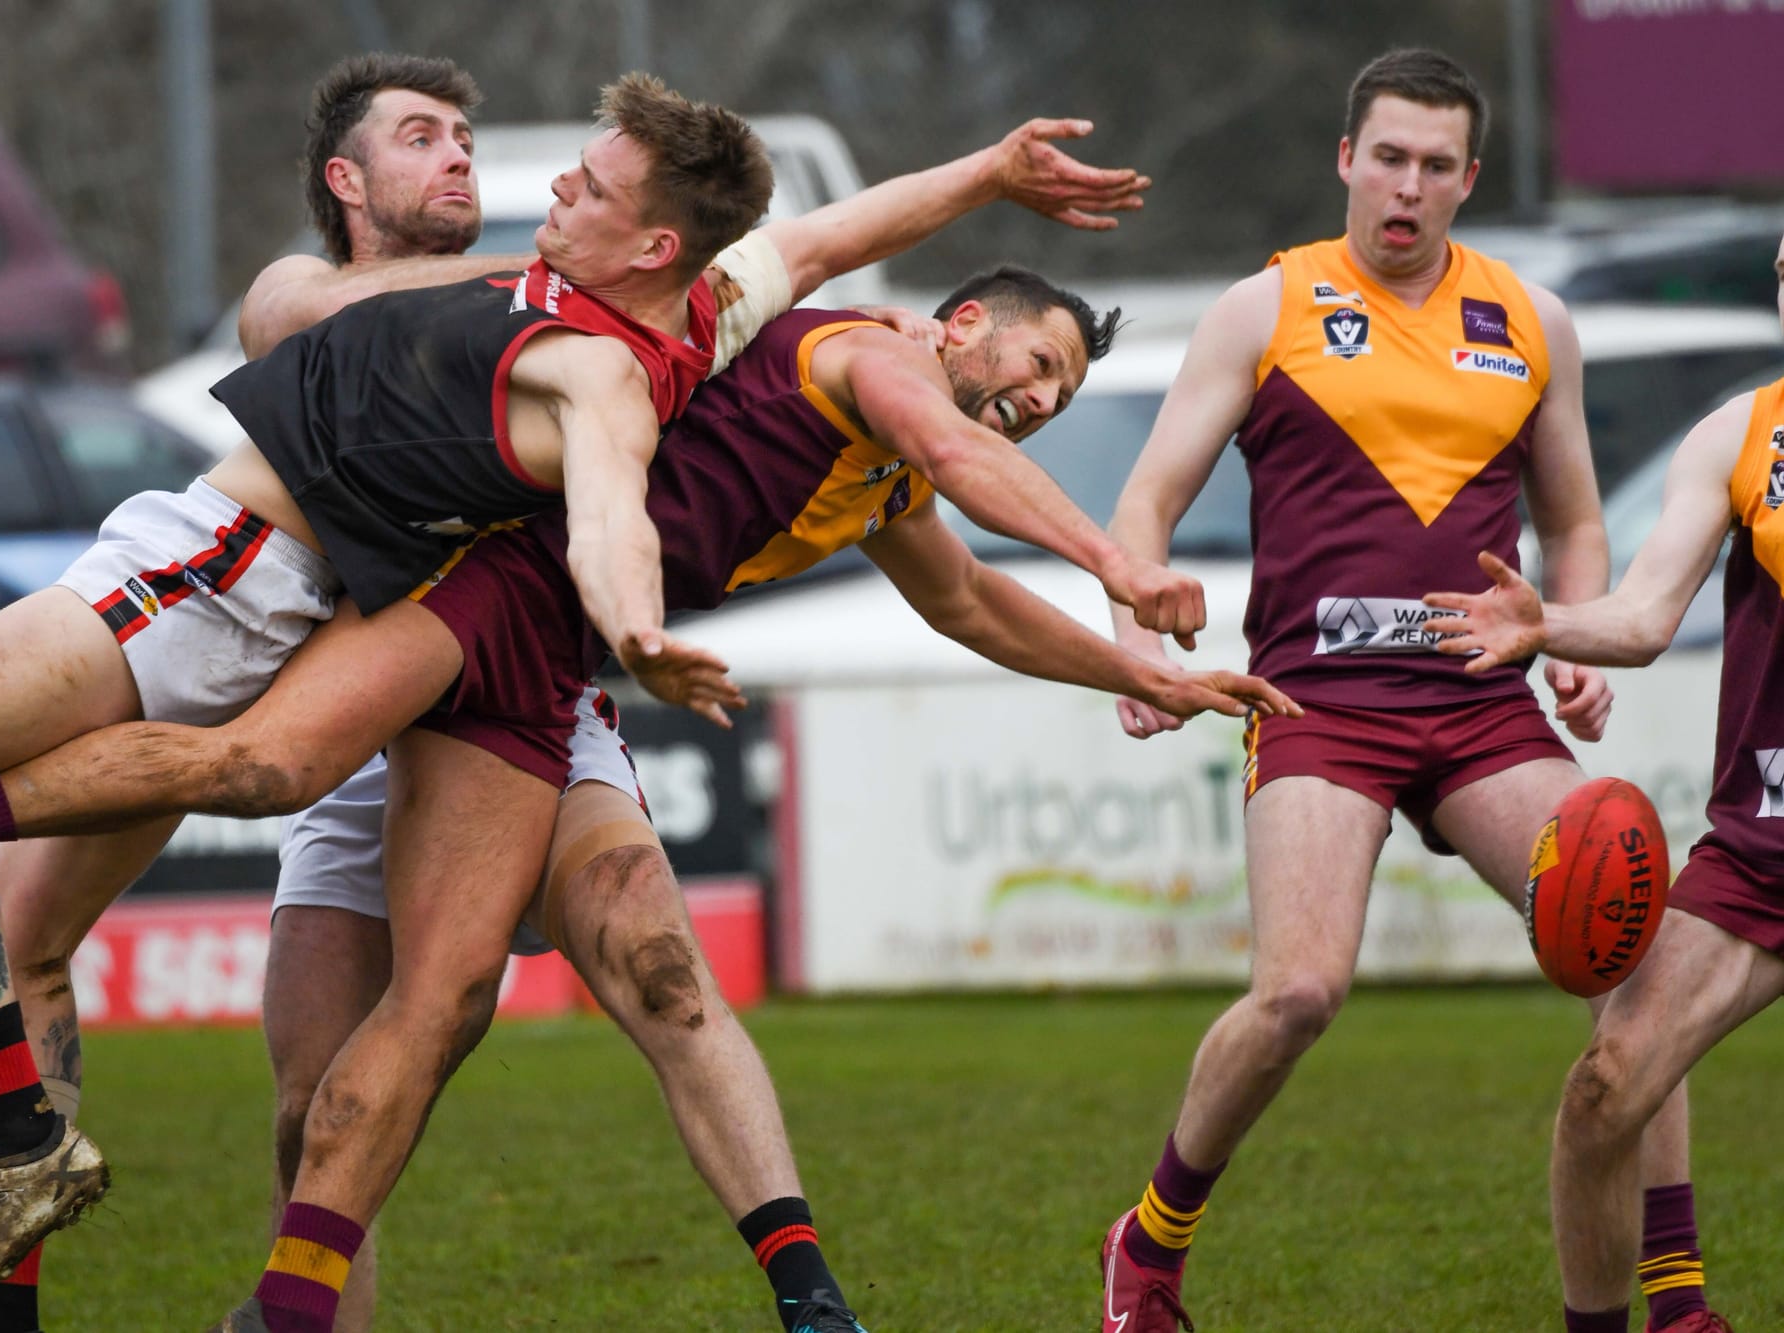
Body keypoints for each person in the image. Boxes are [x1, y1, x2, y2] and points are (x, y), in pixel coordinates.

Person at [0, 59, 1173, 1329]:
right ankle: (13, 1247)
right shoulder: (347, 293)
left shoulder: (621, 327)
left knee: (532, 982)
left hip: (502, 649)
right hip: (309, 602)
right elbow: (319, 324)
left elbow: (753, 343)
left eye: (475, 138)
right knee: (168, 946)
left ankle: (756, 1292)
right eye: (423, 137)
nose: (481, 161)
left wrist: (635, 627)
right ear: (346, 183)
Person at [189, 266, 1296, 1332]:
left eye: (1063, 394)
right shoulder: (856, 353)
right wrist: (1120, 569)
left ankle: (812, 1302)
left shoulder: (887, 473)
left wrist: (1146, 673)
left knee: (654, 973)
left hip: (536, 689)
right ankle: (9, 812)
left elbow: (966, 598)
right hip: (433, 631)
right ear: (958, 324)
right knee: (315, 1067)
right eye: (1042, 361)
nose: (1047, 399)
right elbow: (939, 428)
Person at [1094, 48, 1716, 1333]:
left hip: (1481, 704)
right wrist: (1135, 647)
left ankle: (1671, 1296)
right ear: (1344, 159)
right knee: (1300, 992)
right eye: (1387, 156)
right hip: (1316, 702)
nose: (1407, 186)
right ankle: (1149, 1241)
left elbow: (1575, 522)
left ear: (1466, 180)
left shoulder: (1531, 319)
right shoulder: (1260, 309)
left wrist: (1567, 643)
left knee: (1639, 957)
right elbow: (1142, 507)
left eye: (1436, 166)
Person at [1414, 236, 1784, 1333]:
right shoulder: (1741, 430)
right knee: (1604, 1088)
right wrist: (1546, 622)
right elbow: (1642, 615)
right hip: (1763, 850)